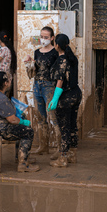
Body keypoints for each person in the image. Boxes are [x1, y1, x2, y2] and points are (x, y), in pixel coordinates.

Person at [0, 71, 39, 173]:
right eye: (9, 79)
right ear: (5, 83)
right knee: (27, 131)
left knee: (19, 129)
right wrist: (24, 122)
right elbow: (12, 119)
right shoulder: (0, 98)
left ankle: (20, 156)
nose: (11, 80)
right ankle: (23, 164)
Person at [23, 26, 60, 157]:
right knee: (40, 117)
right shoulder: (37, 52)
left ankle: (60, 148)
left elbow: (58, 72)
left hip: (49, 86)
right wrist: (29, 64)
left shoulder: (55, 53)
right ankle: (43, 146)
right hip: (37, 86)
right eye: (41, 36)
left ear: (52, 38)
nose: (43, 39)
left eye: (46, 37)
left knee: (53, 117)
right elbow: (33, 73)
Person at [48, 33, 82, 168]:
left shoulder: (62, 60)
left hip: (65, 96)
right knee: (73, 125)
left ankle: (62, 158)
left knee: (64, 128)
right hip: (76, 94)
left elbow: (60, 80)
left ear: (57, 45)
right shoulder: (72, 58)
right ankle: (72, 155)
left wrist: (55, 98)